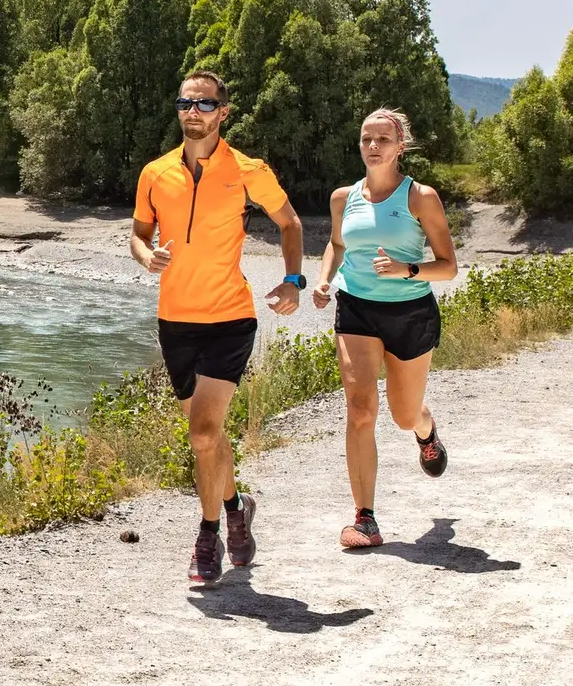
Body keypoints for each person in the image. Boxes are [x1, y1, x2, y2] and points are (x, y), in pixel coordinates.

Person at [132, 71, 305, 586]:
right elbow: (139, 234)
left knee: (203, 433)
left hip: (230, 318)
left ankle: (209, 535)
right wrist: (146, 257)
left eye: (204, 104)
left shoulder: (248, 170)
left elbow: (290, 222)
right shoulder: (155, 173)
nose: (193, 111)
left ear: (223, 113)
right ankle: (235, 506)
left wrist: (293, 280)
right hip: (176, 321)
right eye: (185, 102)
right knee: (209, 439)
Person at [311, 108, 454, 548]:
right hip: (356, 310)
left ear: (400, 146)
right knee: (359, 409)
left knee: (403, 414)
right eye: (366, 139)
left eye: (383, 140)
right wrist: (323, 279)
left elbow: (447, 267)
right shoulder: (342, 198)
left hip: (410, 314)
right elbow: (337, 245)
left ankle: (425, 430)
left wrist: (404, 270)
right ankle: (365, 519)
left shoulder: (420, 198)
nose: (373, 147)